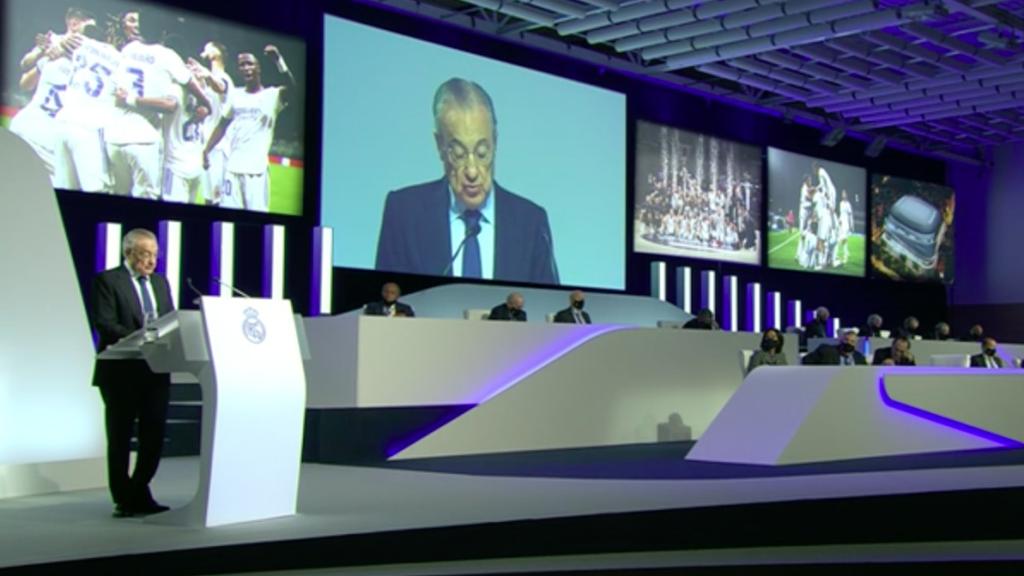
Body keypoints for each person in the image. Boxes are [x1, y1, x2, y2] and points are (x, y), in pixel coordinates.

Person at [374, 78, 559, 284]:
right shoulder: (403, 213)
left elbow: (548, 307)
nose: (472, 171)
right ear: (440, 146)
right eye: (459, 154)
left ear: (495, 142)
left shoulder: (531, 223)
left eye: (482, 153)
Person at [91, 229, 174, 517]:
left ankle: (138, 489)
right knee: (120, 436)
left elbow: (170, 320)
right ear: (129, 252)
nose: (151, 261)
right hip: (121, 372)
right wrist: (141, 338)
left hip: (155, 370)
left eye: (155, 254)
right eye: (145, 254)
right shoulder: (108, 281)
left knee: (154, 435)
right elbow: (105, 323)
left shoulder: (161, 283)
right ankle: (123, 497)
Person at [203, 45, 294, 212]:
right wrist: (206, 150)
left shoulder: (272, 95)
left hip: (256, 172)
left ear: (258, 67)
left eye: (250, 64)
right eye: (242, 65)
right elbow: (222, 125)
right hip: (232, 169)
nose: (246, 68)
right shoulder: (235, 96)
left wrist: (278, 61)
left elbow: (293, 89)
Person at [802, 329, 867, 366]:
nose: (849, 343)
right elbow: (805, 361)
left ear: (856, 344)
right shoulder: (826, 351)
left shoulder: (860, 358)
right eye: (846, 340)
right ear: (840, 340)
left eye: (852, 341)